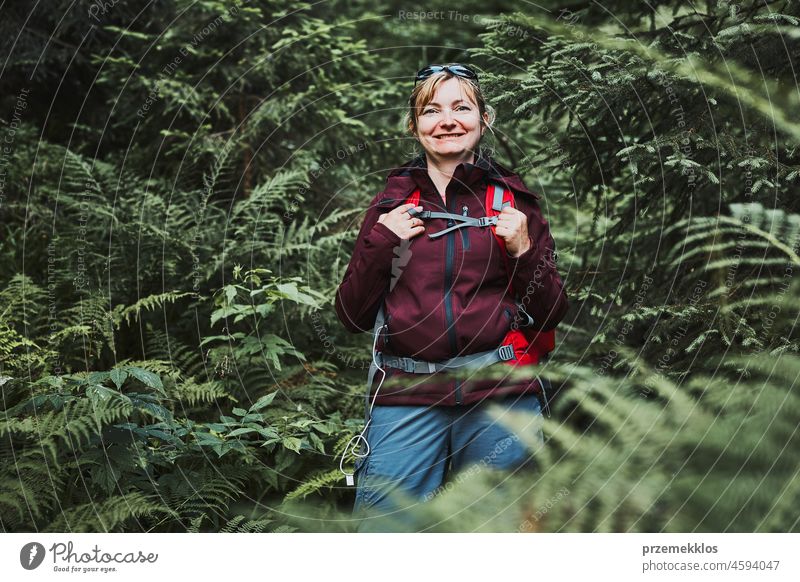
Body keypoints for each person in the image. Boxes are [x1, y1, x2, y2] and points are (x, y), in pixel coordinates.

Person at [334, 63, 569, 532]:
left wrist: (522, 250)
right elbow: (351, 315)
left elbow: (551, 312)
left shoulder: (514, 202)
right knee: (385, 536)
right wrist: (383, 240)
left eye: (462, 107)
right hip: (406, 395)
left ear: (484, 119)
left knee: (501, 539)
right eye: (431, 110)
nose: (447, 120)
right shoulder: (391, 207)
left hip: (500, 395)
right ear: (415, 124)